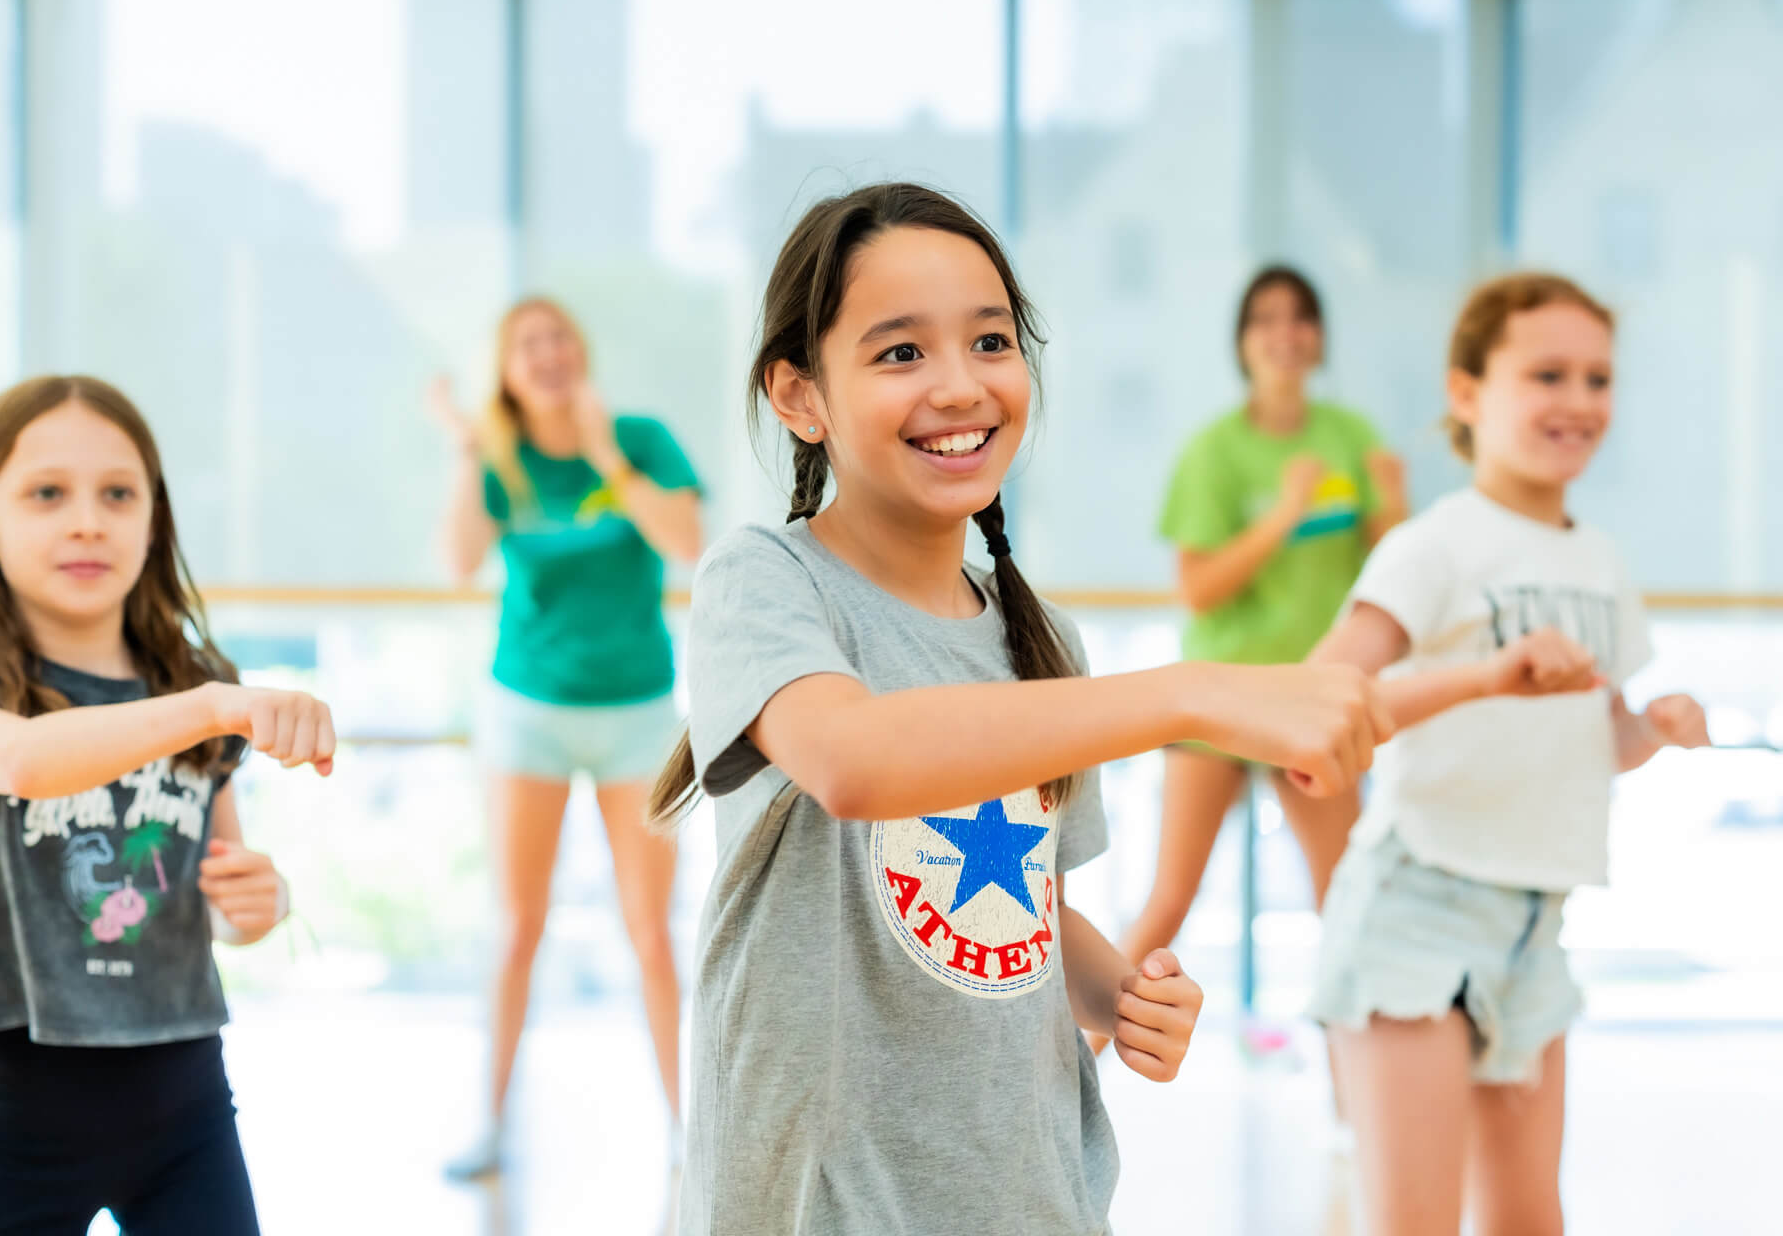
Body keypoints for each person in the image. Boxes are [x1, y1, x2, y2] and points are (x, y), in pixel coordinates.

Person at [649, 183, 1395, 1233]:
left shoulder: (1038, 633)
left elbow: (1016, 904)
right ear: (799, 393)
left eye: (991, 341)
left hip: (1027, 1194)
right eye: (900, 352)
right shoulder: (764, 581)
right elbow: (855, 764)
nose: (960, 385)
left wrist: (1119, 991)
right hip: (819, 1202)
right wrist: (1194, 690)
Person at [0, 375, 335, 1235]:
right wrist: (212, 706)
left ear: (152, 522)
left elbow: (216, 904)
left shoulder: (200, 688)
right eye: (47, 493)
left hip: (191, 1113)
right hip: (21, 1125)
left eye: (117, 494)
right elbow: (19, 762)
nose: (87, 519)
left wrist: (259, 904)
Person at [1306, 274, 1711, 1234]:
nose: (1578, 401)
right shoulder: (1433, 546)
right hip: (1415, 909)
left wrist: (1652, 727)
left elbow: (1596, 740)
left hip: (1535, 927)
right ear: (1466, 393)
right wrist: (1488, 675)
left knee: (1531, 1222)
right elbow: (1322, 705)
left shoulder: (1601, 563)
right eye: (1547, 374)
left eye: (1597, 378)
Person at [428, 297, 704, 1179]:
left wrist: (607, 458)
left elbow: (690, 543)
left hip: (638, 715)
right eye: (525, 346)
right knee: (517, 927)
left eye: (558, 341)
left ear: (580, 354)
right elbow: (457, 560)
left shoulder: (642, 440)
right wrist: (467, 450)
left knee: (651, 932)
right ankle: (491, 1127)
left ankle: (684, 1135)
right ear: (505, 371)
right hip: (529, 715)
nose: (545, 356)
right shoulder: (499, 459)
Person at [1102, 266, 1409, 1055]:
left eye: (1301, 318)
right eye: (1266, 319)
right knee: (1170, 898)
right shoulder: (1215, 452)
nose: (1285, 333)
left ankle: (1358, 1109)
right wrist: (1283, 514)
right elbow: (1199, 589)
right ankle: (1071, 1078)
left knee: (1344, 901)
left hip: (1312, 702)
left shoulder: (1350, 436)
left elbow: (1395, 566)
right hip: (1220, 701)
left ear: (1319, 338)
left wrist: (1394, 507)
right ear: (1242, 342)